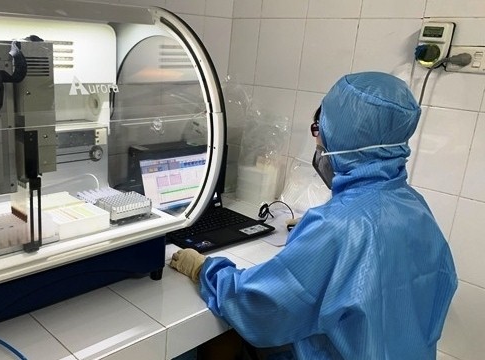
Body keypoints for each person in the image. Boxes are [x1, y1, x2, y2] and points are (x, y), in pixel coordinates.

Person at [170, 72, 458, 359]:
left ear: (345, 134)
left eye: (319, 128)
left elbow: (262, 306)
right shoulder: (414, 205)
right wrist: (317, 238)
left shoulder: (337, 226)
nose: (318, 138)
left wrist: (205, 270)